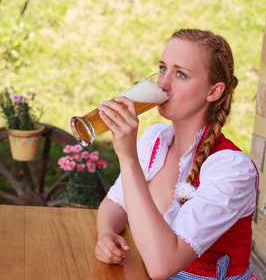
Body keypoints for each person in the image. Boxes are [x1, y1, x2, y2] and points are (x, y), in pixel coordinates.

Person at [94, 29, 259, 279]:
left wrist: (127, 157)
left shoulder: (232, 169)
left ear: (213, 92)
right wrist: (106, 234)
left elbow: (162, 266)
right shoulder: (157, 140)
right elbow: (115, 203)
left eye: (180, 74)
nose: (162, 83)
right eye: (162, 69)